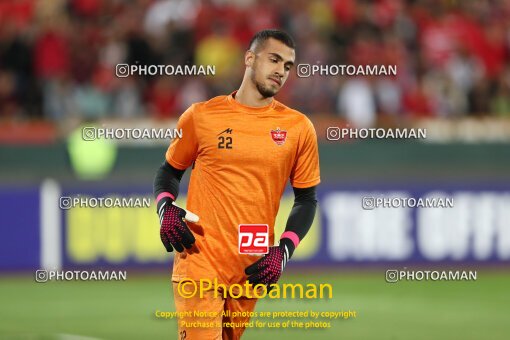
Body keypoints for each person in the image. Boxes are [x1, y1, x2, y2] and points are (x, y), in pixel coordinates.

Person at [153, 29, 320, 340]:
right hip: (199, 260)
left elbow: (307, 199)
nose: (280, 71)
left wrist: (283, 251)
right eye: (274, 60)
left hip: (251, 268)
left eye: (287, 65)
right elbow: (169, 172)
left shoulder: (299, 128)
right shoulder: (201, 116)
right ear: (249, 58)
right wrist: (165, 209)